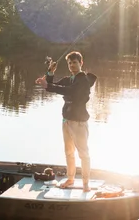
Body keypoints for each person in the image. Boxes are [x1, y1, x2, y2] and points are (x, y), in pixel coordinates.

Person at [35, 51, 97, 191]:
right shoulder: (69, 79)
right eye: (69, 63)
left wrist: (47, 85)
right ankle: (70, 179)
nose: (72, 65)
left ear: (81, 63)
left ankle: (86, 183)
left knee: (83, 153)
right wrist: (50, 74)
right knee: (69, 152)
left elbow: (68, 91)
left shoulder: (83, 81)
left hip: (79, 122)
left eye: (74, 62)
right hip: (66, 120)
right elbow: (54, 87)